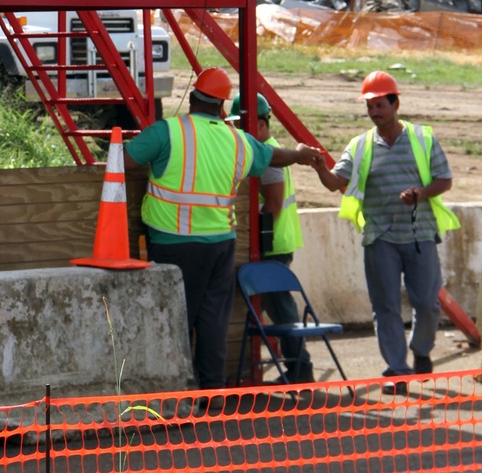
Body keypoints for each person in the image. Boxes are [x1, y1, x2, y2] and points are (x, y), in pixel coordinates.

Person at [125, 66, 322, 390]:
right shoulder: (239, 140)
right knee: (213, 319)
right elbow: (275, 156)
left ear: (191, 99)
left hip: (173, 242)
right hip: (220, 244)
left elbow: (125, 159)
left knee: (177, 318)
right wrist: (300, 155)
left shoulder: (167, 132)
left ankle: (180, 392)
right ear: (221, 107)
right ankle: (214, 389)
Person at [311, 70, 458, 388]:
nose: (374, 112)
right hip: (379, 237)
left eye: (380, 105)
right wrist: (321, 167)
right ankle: (398, 369)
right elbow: (336, 182)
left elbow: (444, 180)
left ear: (396, 105)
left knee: (427, 304)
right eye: (370, 106)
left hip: (420, 235)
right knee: (386, 306)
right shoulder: (360, 145)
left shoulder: (423, 138)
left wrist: (420, 193)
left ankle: (421, 350)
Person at [230, 91, 314, 383]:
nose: (237, 132)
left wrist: (253, 237)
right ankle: (296, 367)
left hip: (272, 244)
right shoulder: (268, 152)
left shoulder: (269, 158)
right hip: (274, 242)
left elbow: (274, 206)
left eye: (242, 125)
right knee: (277, 310)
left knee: (282, 311)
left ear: (261, 125)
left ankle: (300, 370)